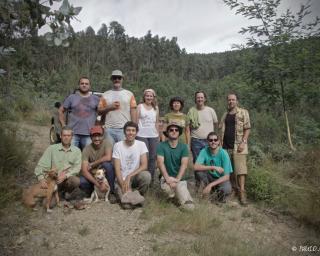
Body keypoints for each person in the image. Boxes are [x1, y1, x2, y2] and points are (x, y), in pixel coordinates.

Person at [220, 93, 251, 205]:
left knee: (241, 170)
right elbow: (221, 130)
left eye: (233, 100)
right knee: (230, 170)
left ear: (237, 101)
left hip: (239, 145)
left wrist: (243, 142)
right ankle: (234, 189)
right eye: (229, 100)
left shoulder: (243, 112)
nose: (231, 101)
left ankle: (242, 192)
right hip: (225, 146)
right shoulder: (225, 114)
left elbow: (247, 128)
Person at [112, 121, 151, 208]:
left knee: (146, 175)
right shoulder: (117, 145)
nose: (131, 133)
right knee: (127, 206)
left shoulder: (141, 144)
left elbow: (144, 165)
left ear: (136, 132)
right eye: (128, 130)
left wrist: (129, 176)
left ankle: (138, 194)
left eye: (133, 130)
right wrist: (123, 184)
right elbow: (117, 169)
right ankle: (132, 196)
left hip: (134, 177)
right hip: (121, 179)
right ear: (124, 132)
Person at [34, 126, 81, 198]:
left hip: (66, 179)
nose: (66, 137)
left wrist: (65, 176)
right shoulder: (52, 149)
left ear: (72, 137)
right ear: (60, 136)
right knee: (49, 204)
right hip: (52, 181)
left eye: (69, 135)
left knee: (75, 181)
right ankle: (55, 194)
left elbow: (77, 168)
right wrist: (41, 179)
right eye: (64, 135)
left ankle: (65, 192)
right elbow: (40, 166)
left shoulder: (77, 151)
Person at [156, 122, 194, 210]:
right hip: (166, 178)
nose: (174, 131)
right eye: (171, 130)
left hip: (179, 179)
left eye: (176, 130)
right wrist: (168, 179)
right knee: (167, 191)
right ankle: (173, 197)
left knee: (189, 208)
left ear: (179, 132)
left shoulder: (184, 147)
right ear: (167, 133)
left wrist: (177, 180)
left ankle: (179, 196)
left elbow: (184, 165)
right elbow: (160, 163)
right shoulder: (161, 146)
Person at [59, 77, 100, 150]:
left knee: (87, 158)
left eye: (86, 84)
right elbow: (61, 110)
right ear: (79, 85)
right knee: (70, 156)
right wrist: (63, 125)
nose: (84, 85)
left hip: (89, 134)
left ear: (89, 86)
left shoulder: (96, 99)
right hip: (72, 133)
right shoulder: (71, 97)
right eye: (82, 83)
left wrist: (98, 125)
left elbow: (101, 113)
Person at [187, 91, 218, 187]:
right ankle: (198, 185)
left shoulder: (210, 110)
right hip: (196, 140)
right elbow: (187, 128)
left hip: (210, 141)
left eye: (201, 97)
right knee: (197, 163)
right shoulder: (191, 111)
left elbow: (216, 124)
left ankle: (209, 185)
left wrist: (216, 139)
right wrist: (188, 144)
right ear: (195, 99)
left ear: (205, 99)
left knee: (210, 161)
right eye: (198, 97)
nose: (200, 99)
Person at [98, 70, 137, 145]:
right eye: (114, 78)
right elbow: (99, 111)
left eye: (119, 78)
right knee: (109, 153)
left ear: (122, 79)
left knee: (124, 152)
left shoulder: (129, 94)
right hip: (108, 129)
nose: (117, 80)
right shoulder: (105, 94)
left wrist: (134, 128)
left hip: (124, 129)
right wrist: (109, 107)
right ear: (111, 79)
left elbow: (133, 111)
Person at [79, 125, 116, 202]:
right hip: (94, 175)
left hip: (104, 173)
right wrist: (98, 184)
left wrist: (92, 164)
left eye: (99, 136)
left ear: (103, 136)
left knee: (107, 165)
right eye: (94, 136)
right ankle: (91, 192)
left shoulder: (107, 143)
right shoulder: (87, 149)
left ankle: (111, 192)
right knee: (82, 180)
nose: (96, 138)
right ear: (90, 137)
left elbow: (108, 157)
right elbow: (84, 170)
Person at [194, 132, 233, 202]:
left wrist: (210, 185)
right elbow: (196, 167)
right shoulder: (204, 151)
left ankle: (217, 195)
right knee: (199, 172)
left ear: (219, 142)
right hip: (210, 177)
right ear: (207, 142)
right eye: (211, 140)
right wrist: (213, 167)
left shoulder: (224, 153)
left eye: (215, 140)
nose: (213, 142)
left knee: (226, 189)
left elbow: (227, 176)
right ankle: (204, 191)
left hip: (220, 179)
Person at [136, 89, 159, 181]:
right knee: (145, 157)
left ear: (153, 97)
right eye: (147, 96)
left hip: (153, 135)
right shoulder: (140, 106)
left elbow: (157, 122)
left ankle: (151, 179)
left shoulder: (156, 108)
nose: (149, 97)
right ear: (144, 97)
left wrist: (158, 135)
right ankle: (143, 178)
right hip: (141, 135)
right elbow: (136, 120)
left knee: (153, 158)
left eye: (151, 96)